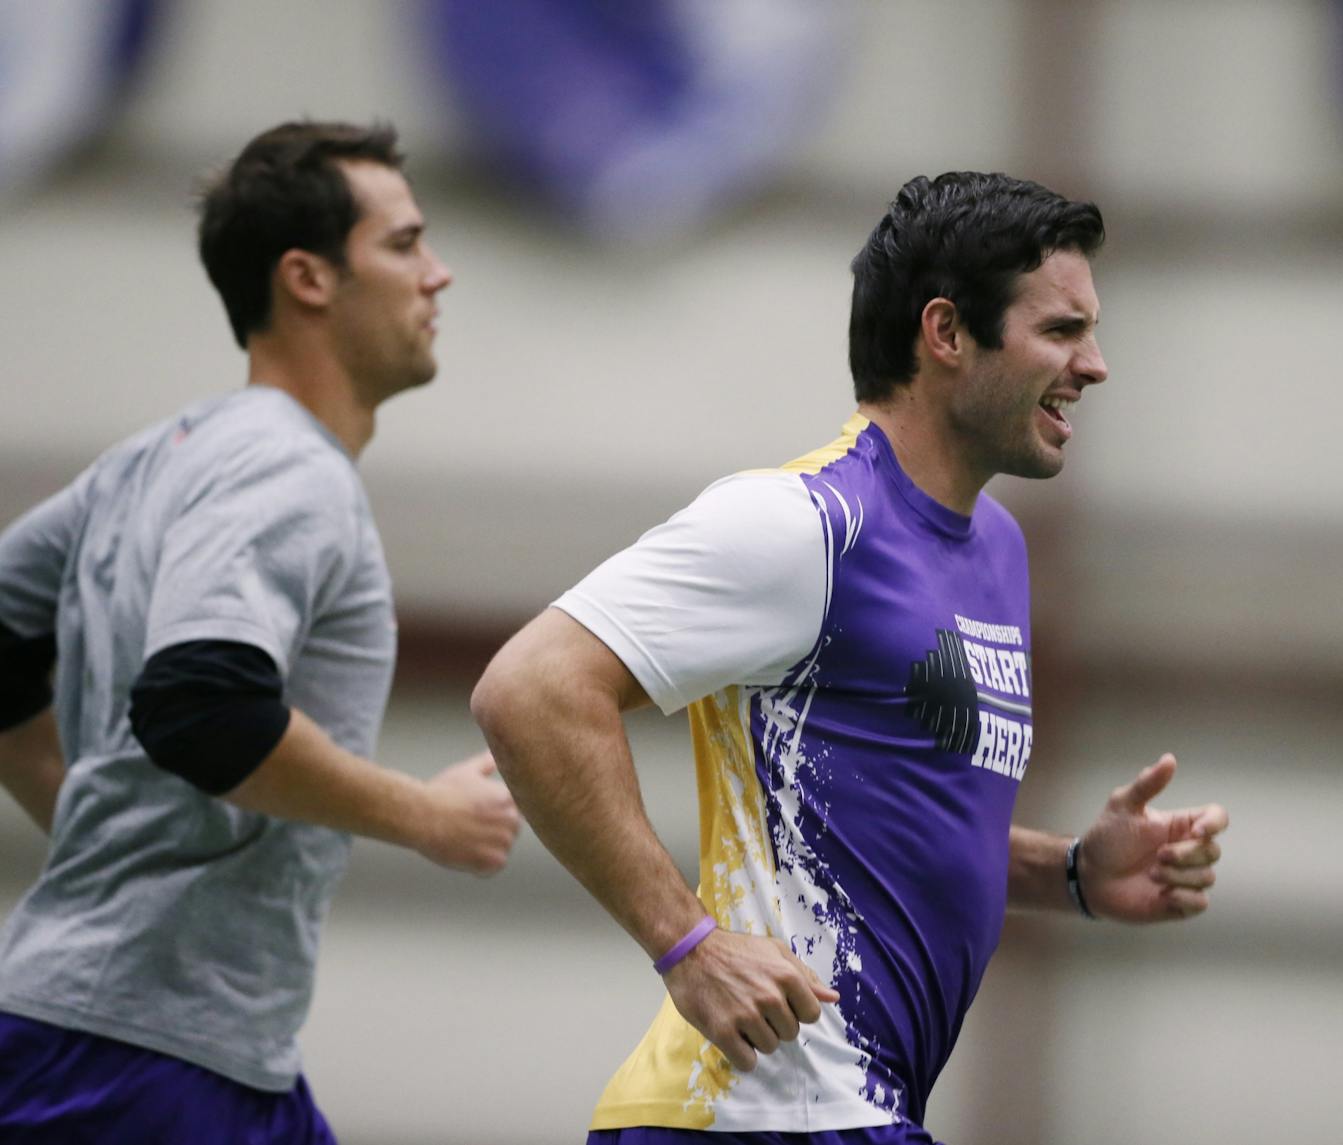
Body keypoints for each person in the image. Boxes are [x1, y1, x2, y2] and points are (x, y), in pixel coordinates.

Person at [471, 171, 1229, 1144]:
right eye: (1060, 330)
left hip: (856, 1114)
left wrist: (1069, 871)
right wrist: (687, 945)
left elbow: (881, 820)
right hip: (751, 1114)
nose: (1094, 364)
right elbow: (530, 687)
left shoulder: (996, 545)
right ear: (946, 333)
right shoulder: (803, 522)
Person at [0, 120, 520, 1144]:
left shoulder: (156, 456)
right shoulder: (287, 469)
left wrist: (78, 810)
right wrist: (424, 814)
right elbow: (203, 706)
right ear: (308, 279)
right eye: (405, 244)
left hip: (163, 1044)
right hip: (138, 1062)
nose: (438, 275)